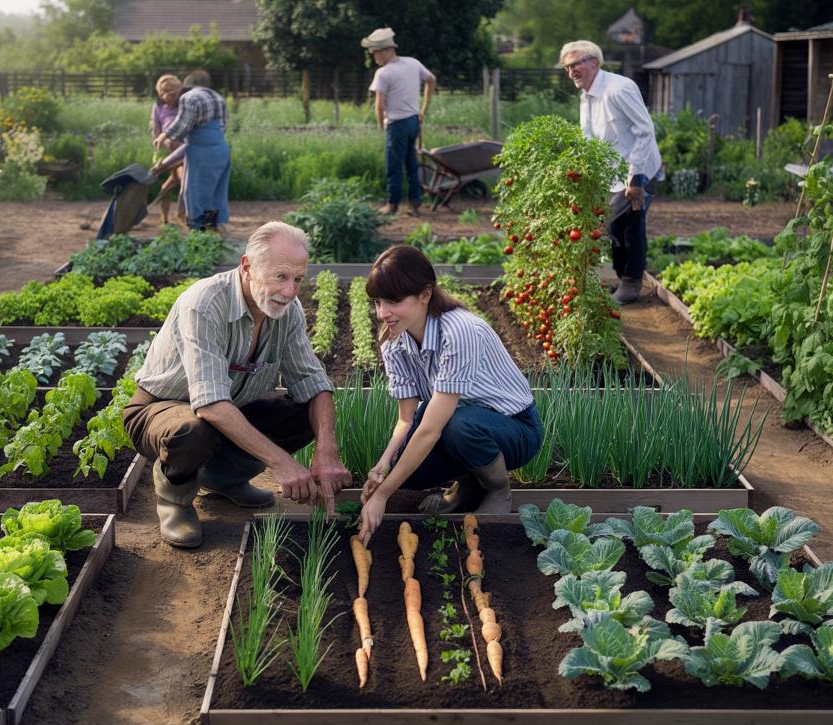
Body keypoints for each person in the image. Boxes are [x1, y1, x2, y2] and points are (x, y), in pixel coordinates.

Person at [122, 221, 352, 547]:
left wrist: (327, 452)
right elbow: (210, 406)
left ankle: (222, 479)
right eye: (280, 276)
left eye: (298, 279)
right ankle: (175, 498)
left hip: (229, 410)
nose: (290, 290)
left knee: (307, 414)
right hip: (161, 410)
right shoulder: (204, 303)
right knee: (193, 430)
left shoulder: (288, 311)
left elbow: (313, 382)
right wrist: (282, 463)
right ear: (247, 267)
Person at [356, 246, 543, 545]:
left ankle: (498, 490)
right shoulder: (394, 341)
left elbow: (431, 429)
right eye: (378, 302)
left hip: (515, 430)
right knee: (409, 470)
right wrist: (383, 467)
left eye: (393, 301)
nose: (382, 313)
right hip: (460, 423)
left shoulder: (459, 331)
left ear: (425, 294)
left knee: (457, 424)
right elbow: (406, 420)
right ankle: (469, 487)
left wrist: (383, 495)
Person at [559, 40, 662, 304]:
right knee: (615, 225)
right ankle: (623, 278)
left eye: (576, 64)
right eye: (567, 67)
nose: (571, 71)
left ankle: (631, 283)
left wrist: (636, 177)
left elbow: (645, 131)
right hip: (612, 174)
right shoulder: (586, 95)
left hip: (638, 169)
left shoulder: (619, 89)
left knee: (630, 226)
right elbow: (589, 138)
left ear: (595, 62)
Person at [362, 27, 436, 217]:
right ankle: (415, 203)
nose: (373, 56)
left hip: (396, 124)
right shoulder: (413, 63)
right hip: (413, 122)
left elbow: (379, 105)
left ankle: (392, 204)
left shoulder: (383, 73)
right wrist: (423, 110)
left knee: (393, 165)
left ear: (387, 50)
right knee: (411, 164)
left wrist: (381, 126)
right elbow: (431, 79)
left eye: (375, 52)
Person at [152, 69, 229, 231]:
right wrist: (165, 163)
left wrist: (164, 136)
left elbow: (182, 126)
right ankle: (211, 229)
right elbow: (222, 128)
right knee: (213, 192)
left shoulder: (188, 98)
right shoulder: (218, 97)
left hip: (200, 152)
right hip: (220, 150)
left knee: (194, 192)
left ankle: (198, 231)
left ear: (186, 86)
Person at [149, 74, 185, 227]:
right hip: (168, 152)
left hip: (184, 152)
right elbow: (156, 130)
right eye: (168, 95)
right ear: (161, 94)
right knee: (168, 185)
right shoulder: (158, 108)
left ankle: (185, 215)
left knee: (183, 179)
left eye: (175, 94)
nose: (172, 98)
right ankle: (164, 220)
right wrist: (160, 148)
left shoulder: (184, 106)